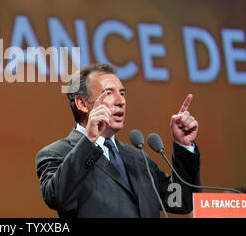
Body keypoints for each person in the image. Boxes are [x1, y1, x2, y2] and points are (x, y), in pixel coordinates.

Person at [35, 63, 201, 218]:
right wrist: (90, 140)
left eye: (122, 93)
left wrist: (184, 145)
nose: (121, 101)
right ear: (82, 103)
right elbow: (58, 197)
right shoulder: (57, 153)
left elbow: (180, 201)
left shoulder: (138, 158)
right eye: (108, 92)